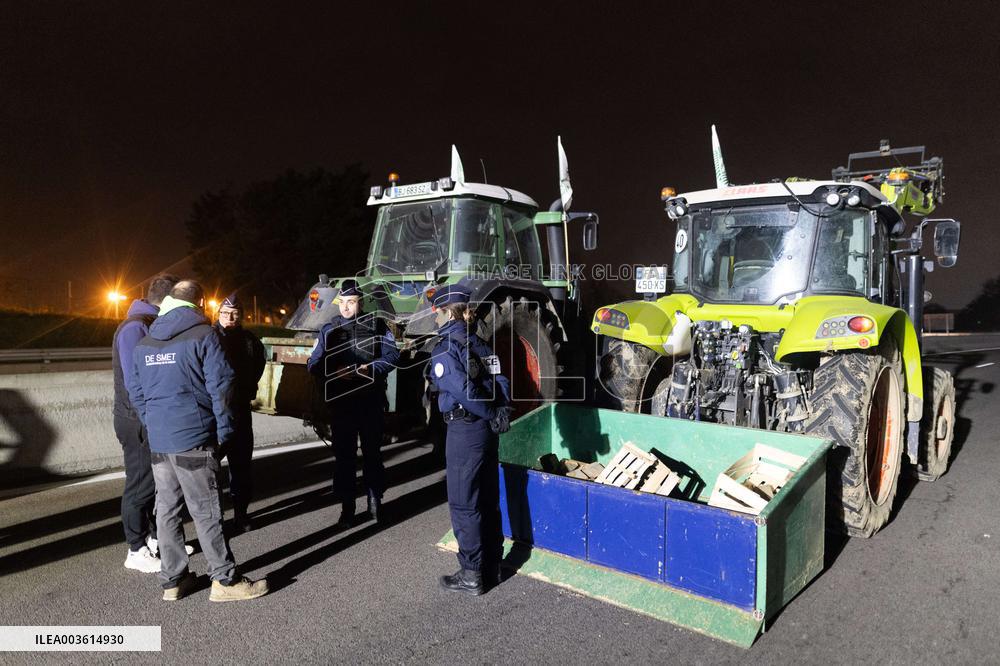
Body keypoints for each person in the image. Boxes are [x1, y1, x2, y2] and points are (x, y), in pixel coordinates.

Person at [129, 280, 268, 602]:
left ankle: (173, 580)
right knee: (206, 511)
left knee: (167, 511)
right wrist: (222, 433)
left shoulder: (146, 341)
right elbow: (223, 388)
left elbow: (136, 393)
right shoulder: (203, 336)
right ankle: (225, 581)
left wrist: (154, 424)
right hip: (194, 437)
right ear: (200, 303)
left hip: (160, 441)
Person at [427, 284, 512, 596]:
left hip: (465, 431)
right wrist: (501, 411)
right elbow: (501, 378)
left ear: (447, 311)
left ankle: (472, 573)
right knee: (487, 499)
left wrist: (490, 413)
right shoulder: (480, 343)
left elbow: (465, 392)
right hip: (487, 432)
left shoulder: (445, 349)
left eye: (437, 311)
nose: (434, 317)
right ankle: (493, 565)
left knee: (465, 503)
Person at [306, 279, 400, 527]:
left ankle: (375, 503)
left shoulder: (378, 326)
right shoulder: (328, 329)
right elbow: (313, 364)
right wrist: (335, 371)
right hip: (342, 404)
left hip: (370, 402)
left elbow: (392, 355)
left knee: (372, 455)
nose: (346, 307)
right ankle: (347, 509)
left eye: (351, 302)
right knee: (344, 458)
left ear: (360, 302)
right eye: (343, 303)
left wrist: (371, 368)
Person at [113, 272, 182, 573]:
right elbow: (134, 381)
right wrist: (149, 417)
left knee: (154, 482)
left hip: (145, 417)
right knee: (140, 483)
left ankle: (154, 539)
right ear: (168, 301)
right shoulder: (135, 328)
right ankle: (135, 548)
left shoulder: (147, 324)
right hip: (136, 418)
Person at [214, 291, 266, 533]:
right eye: (225, 313)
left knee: (242, 467)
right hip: (215, 414)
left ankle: (241, 514)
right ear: (218, 314)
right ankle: (213, 519)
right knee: (210, 469)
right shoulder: (210, 337)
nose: (230, 318)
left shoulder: (249, 340)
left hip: (241, 410)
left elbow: (259, 365)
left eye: (235, 314)